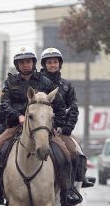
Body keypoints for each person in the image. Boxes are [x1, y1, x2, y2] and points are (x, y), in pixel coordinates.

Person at [0, 45, 83, 206]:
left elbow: (59, 106)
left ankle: (68, 190)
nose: (26, 65)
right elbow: (4, 104)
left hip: (41, 127)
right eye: (22, 62)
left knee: (66, 153)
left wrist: (54, 125)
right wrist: (18, 116)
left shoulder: (45, 82)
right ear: (17, 65)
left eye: (28, 62)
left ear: (33, 63)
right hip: (17, 126)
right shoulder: (10, 82)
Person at [40, 47, 93, 188]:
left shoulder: (67, 85)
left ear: (60, 64)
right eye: (49, 62)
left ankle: (73, 184)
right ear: (44, 64)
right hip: (38, 128)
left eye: (55, 62)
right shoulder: (37, 83)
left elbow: (73, 109)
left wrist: (66, 128)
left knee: (75, 152)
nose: (52, 65)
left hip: (60, 130)